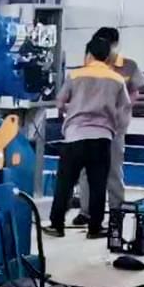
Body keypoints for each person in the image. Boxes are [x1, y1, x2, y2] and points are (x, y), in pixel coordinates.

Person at [47, 35, 131, 239]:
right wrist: (115, 129)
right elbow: (124, 110)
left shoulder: (75, 75)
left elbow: (59, 102)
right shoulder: (117, 79)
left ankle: (57, 225)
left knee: (65, 184)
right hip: (102, 137)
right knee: (98, 184)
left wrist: (71, 112)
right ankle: (95, 228)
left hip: (75, 136)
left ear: (89, 54)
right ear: (107, 57)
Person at [74, 27, 144, 226]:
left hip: (114, 127)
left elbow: (134, 93)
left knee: (113, 169)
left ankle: (116, 212)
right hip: (90, 125)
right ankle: (86, 212)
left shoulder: (129, 66)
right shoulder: (91, 64)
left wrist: (120, 110)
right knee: (86, 170)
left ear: (115, 45)